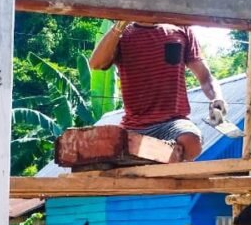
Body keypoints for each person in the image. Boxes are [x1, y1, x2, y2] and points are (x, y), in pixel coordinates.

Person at [89, 21, 225, 162]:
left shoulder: (181, 27)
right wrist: (119, 26)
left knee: (191, 141)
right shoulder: (123, 32)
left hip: (172, 124)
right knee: (102, 146)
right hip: (135, 127)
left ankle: (161, 153)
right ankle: (159, 153)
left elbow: (206, 78)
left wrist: (217, 99)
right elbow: (96, 63)